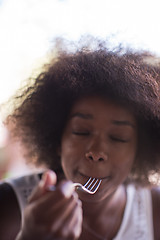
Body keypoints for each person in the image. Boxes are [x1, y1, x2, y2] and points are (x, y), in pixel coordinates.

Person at [0, 38, 160, 240]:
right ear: (58, 140)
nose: (96, 152)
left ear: (139, 151)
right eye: (82, 132)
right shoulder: (8, 205)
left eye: (118, 138)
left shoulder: (154, 211)